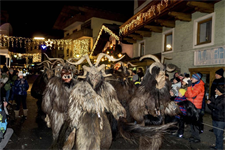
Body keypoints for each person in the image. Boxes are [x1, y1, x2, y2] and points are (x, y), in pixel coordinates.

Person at [185, 73, 205, 143]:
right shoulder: (194, 85)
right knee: (192, 123)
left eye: (192, 78)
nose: (191, 79)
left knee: (195, 124)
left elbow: (191, 94)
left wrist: (189, 86)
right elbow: (186, 94)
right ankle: (193, 136)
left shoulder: (200, 86)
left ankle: (197, 138)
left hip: (196, 107)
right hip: (191, 106)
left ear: (197, 79)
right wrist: (190, 88)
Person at [207, 85, 225, 150]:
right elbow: (212, 106)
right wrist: (210, 104)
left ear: (220, 91)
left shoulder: (223, 98)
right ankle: (217, 147)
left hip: (221, 119)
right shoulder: (216, 96)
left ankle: (219, 148)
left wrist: (210, 104)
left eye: (216, 90)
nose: (215, 91)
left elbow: (218, 107)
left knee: (219, 135)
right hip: (215, 117)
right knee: (216, 133)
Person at [209, 68, 225, 132]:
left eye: (216, 74)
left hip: (221, 98)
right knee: (214, 112)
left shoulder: (224, 81)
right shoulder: (215, 80)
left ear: (220, 75)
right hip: (214, 97)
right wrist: (211, 96)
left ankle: (221, 128)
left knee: (220, 112)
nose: (215, 75)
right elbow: (212, 89)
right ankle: (215, 127)